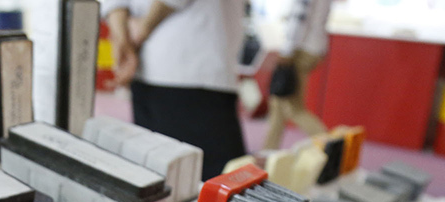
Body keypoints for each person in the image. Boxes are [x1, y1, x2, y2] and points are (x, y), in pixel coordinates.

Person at [103, 0, 247, 179]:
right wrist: (131, 33)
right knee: (216, 183)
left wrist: (126, 34)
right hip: (188, 68)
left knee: (163, 179)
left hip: (179, 68)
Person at [262, 0, 333, 151]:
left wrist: (287, 50)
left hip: (300, 49)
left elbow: (300, 17)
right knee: (278, 103)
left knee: (293, 107)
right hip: (312, 47)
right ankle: (268, 151)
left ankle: (331, 145)